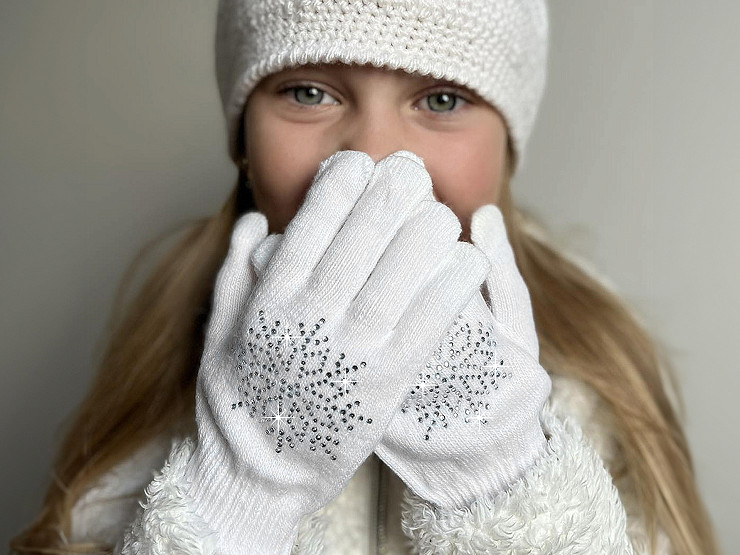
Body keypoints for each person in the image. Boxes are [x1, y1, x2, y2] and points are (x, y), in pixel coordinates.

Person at [9, 0, 720, 554]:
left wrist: (505, 482)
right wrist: (244, 490)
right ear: (244, 143)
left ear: (508, 146)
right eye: (310, 91)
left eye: (441, 99)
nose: (375, 159)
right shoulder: (164, 364)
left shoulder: (603, 372)